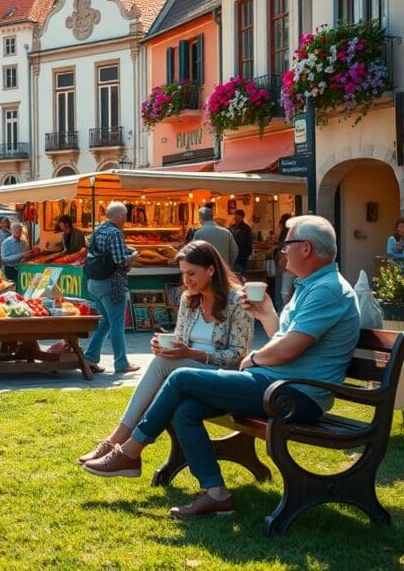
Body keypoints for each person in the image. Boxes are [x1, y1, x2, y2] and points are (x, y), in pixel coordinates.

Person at [82, 215, 360, 519]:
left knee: (181, 379)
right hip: (279, 386)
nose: (282, 250)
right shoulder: (311, 287)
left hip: (296, 395)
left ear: (305, 248)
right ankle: (216, 494)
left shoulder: (327, 290)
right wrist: (267, 314)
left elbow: (289, 349)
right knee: (185, 408)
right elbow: (283, 336)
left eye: (287, 243)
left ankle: (130, 453)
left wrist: (252, 359)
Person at [78, 240, 254, 464]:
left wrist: (192, 354)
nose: (186, 281)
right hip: (187, 369)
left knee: (164, 365)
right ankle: (125, 446)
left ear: (211, 270)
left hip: (222, 374)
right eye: (183, 274)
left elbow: (239, 354)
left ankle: (119, 440)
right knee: (163, 361)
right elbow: (180, 339)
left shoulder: (237, 300)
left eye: (192, 273)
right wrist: (165, 346)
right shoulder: (188, 298)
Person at [82, 202, 139, 374]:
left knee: (105, 322)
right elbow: (120, 260)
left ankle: (90, 357)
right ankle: (121, 363)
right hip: (111, 284)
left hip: (94, 282)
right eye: (125, 216)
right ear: (121, 216)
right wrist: (133, 256)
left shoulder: (98, 230)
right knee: (117, 323)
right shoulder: (115, 233)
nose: (126, 219)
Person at [274, 213, 296, 310]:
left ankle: (281, 309)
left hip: (285, 266)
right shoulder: (294, 233)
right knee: (286, 289)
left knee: (283, 290)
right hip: (290, 266)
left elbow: (285, 248)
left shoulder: (286, 234)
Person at [229, 209, 253, 277]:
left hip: (242, 255)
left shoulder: (246, 228)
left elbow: (248, 241)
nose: (234, 217)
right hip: (233, 254)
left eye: (236, 215)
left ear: (241, 216)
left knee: (241, 273)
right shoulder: (232, 227)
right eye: (234, 215)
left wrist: (248, 253)